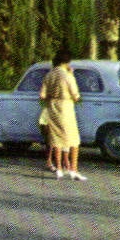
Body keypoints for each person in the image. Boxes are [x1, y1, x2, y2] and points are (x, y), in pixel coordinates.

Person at [39, 47, 83, 180]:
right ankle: (73, 169)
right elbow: (76, 96)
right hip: (65, 107)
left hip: (52, 107)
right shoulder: (67, 75)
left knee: (56, 138)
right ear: (68, 61)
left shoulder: (49, 75)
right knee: (74, 140)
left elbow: (42, 95)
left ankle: (58, 168)